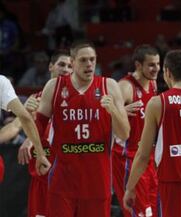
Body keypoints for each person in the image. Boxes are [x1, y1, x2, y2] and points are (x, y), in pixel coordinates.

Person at [35, 42, 130, 217]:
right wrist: (39, 153)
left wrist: (114, 111)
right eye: (84, 60)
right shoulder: (54, 87)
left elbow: (125, 133)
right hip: (63, 180)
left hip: (97, 182)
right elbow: (38, 127)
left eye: (92, 60)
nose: (89, 64)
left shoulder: (109, 86)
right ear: (72, 63)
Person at [123, 50, 181, 217]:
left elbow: (143, 155)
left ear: (167, 72)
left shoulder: (158, 102)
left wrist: (130, 188)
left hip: (174, 183)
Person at [15, 50, 72, 217]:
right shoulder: (35, 99)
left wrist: (29, 141)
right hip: (42, 175)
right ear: (51, 67)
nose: (66, 69)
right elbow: (17, 126)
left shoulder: (77, 100)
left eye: (70, 66)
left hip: (67, 176)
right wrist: (27, 114)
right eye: (61, 64)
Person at [112, 44, 159, 217]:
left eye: (158, 64)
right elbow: (100, 112)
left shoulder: (153, 84)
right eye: (151, 65)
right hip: (127, 157)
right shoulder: (125, 86)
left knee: (151, 210)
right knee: (137, 212)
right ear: (138, 65)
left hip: (147, 155)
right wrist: (120, 112)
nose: (156, 69)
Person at [0, 75, 50, 183]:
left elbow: (19, 122)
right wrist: (40, 154)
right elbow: (24, 118)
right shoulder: (2, 82)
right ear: (51, 67)